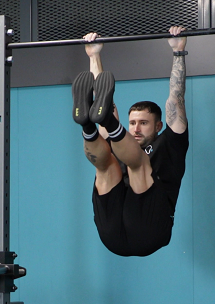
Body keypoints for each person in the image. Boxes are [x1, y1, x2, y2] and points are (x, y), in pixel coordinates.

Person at [71, 27, 189, 257]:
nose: (135, 128)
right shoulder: (122, 140)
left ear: (158, 126)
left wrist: (178, 52)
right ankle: (88, 125)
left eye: (143, 123)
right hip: (111, 232)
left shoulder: (171, 143)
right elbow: (101, 99)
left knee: (137, 163)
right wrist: (94, 55)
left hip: (149, 231)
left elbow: (176, 99)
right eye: (132, 123)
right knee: (106, 165)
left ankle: (95, 126)